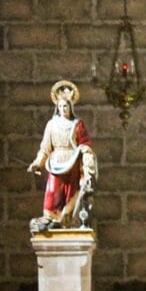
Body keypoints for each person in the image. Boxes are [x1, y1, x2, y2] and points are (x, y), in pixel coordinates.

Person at [28, 80, 97, 231]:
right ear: (57, 108)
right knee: (52, 193)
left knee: (71, 194)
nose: (63, 108)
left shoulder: (77, 124)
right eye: (60, 106)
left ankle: (66, 221)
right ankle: (51, 219)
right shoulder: (51, 125)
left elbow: (85, 145)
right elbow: (45, 148)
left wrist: (87, 166)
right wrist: (38, 162)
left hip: (71, 162)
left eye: (65, 106)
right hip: (56, 163)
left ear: (70, 107)